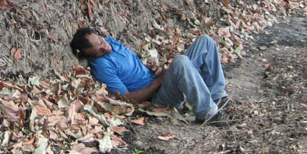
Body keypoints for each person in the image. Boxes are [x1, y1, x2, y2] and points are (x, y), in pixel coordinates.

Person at [70, 28, 233, 127]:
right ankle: (207, 113)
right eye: (99, 51)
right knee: (180, 61)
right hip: (160, 98)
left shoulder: (111, 42)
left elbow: (132, 66)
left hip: (161, 81)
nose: (105, 47)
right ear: (89, 56)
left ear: (99, 35)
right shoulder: (102, 67)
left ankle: (218, 97)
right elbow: (128, 99)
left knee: (205, 41)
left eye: (101, 41)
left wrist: (153, 68)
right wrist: (161, 80)